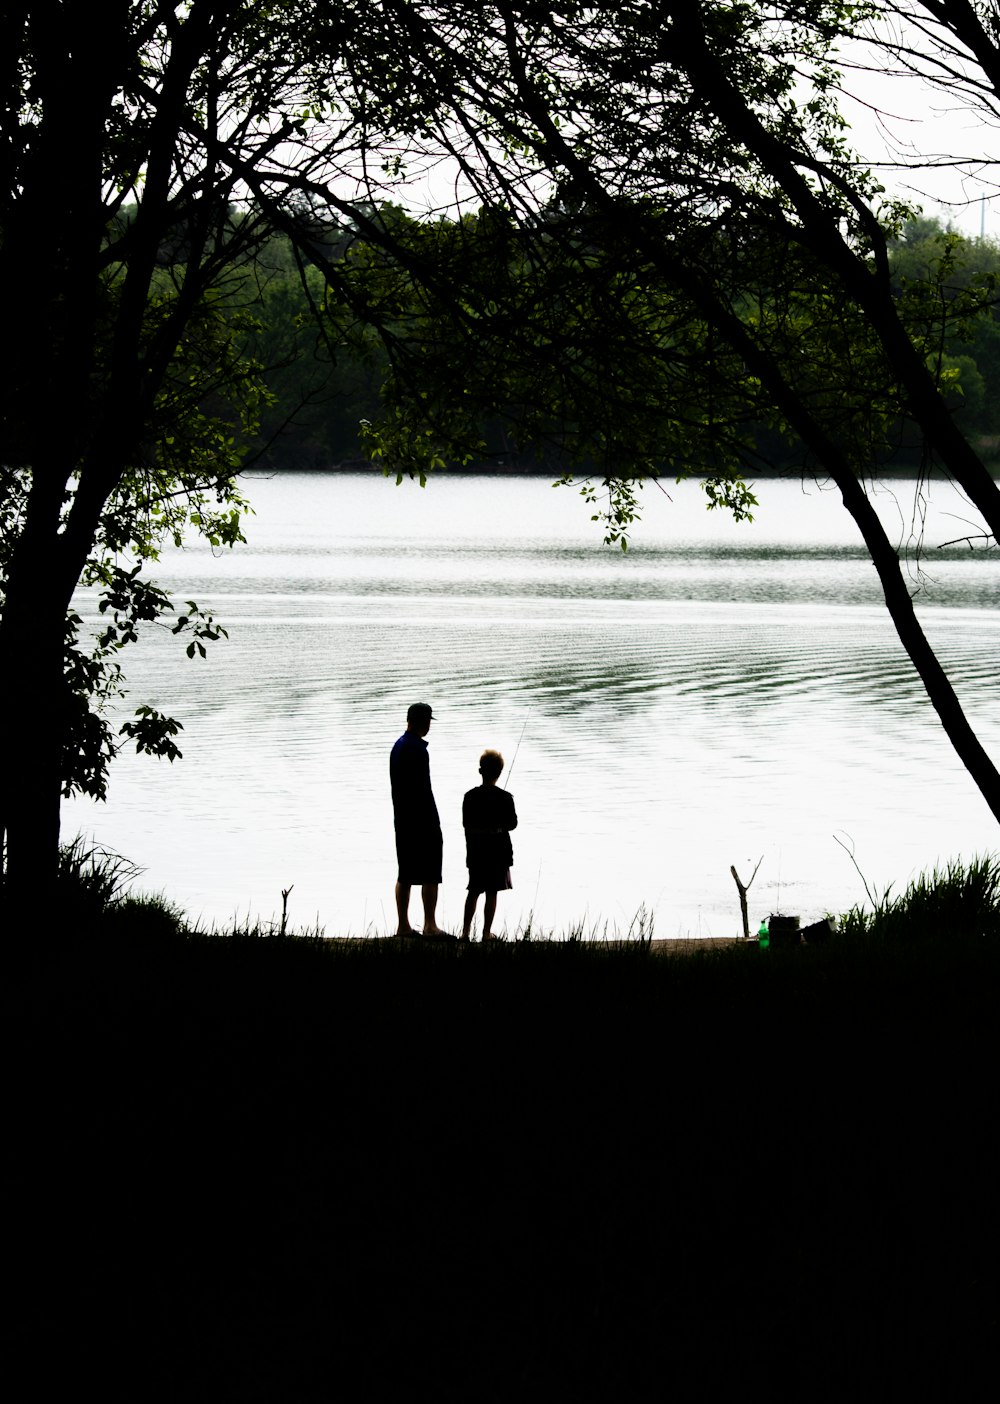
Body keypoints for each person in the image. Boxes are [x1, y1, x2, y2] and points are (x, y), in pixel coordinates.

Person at [390, 702, 452, 939]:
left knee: (405, 872)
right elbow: (423, 789)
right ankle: (430, 925)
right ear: (421, 721)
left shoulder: (397, 746)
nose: (429, 726)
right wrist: (433, 821)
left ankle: (403, 925)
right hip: (422, 819)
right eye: (428, 721)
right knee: (431, 872)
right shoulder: (417, 749)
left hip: (402, 820)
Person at [461, 749, 518, 942]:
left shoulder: (469, 797)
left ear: (480, 771)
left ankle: (465, 933)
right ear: (500, 773)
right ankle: (486, 934)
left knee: (474, 890)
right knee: (492, 892)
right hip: (498, 853)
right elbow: (512, 824)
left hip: (476, 852)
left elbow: (466, 824)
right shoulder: (505, 797)